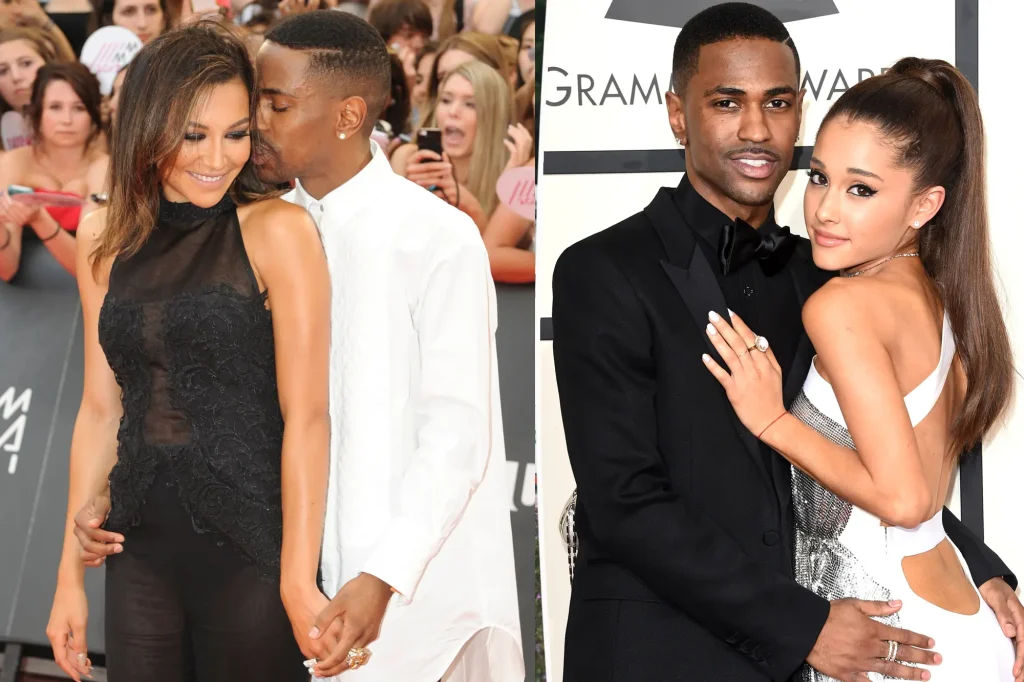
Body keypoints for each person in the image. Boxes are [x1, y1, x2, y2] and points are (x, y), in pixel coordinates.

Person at [550, 4, 1024, 682]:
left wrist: (981, 572)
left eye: (777, 103)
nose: (756, 128)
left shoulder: (828, 275)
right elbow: (625, 501)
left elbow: (875, 460)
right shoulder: (603, 270)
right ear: (678, 115)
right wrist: (802, 627)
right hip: (660, 652)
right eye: (726, 102)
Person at [703, 56, 1017, 681]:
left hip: (897, 633)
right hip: (955, 617)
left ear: (925, 205)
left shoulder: (842, 305)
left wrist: (772, 421)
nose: (824, 210)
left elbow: (906, 499)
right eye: (819, 177)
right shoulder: (943, 299)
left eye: (861, 190)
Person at [45, 22, 332, 682]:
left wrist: (296, 578)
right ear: (148, 128)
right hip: (137, 546)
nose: (218, 157)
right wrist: (68, 579)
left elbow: (308, 418)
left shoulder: (279, 231)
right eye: (193, 135)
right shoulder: (103, 236)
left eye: (237, 133)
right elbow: (100, 411)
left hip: (252, 551)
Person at [253, 11, 522, 681]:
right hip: (283, 593)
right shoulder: (259, 231)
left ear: (348, 116)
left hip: (422, 600)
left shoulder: (435, 236)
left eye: (277, 104)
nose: (257, 120)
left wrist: (383, 575)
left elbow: (457, 430)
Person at [0, 62, 106, 280]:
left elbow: (93, 267)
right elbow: (6, 270)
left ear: (93, 115)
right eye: (55, 107)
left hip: (85, 293)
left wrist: (40, 220)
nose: (67, 120)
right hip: (18, 294)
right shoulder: (13, 162)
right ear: (37, 113)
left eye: (79, 108)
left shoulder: (106, 167)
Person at [392, 61, 520, 231]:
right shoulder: (406, 159)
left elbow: (494, 248)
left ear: (493, 117)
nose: (453, 112)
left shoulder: (510, 174)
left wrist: (470, 206)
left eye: (470, 104)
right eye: (446, 100)